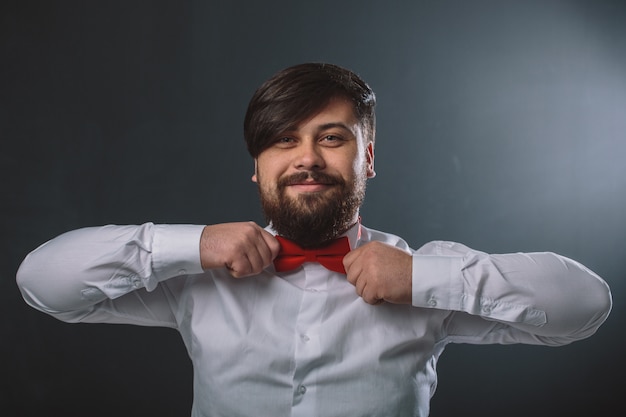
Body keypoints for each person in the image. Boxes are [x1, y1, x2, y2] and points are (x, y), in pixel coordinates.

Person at [16, 62, 612, 417]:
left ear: (367, 159)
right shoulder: (195, 280)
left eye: (331, 138)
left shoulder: (424, 274)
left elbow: (585, 305)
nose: (306, 158)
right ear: (256, 166)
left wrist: (424, 279)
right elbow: (42, 282)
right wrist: (193, 245)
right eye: (283, 140)